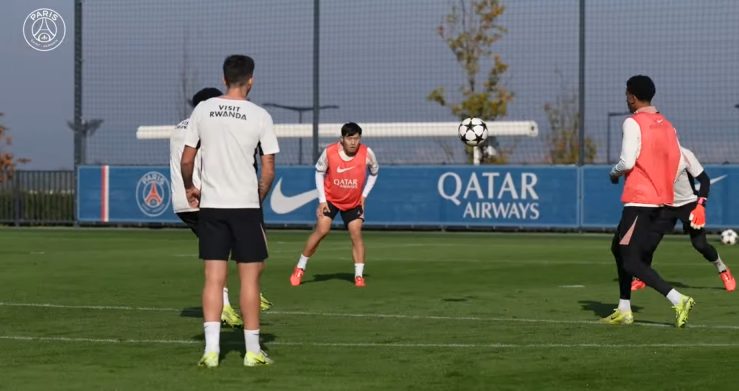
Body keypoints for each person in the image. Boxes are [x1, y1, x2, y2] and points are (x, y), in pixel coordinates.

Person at [181, 55, 279, 368]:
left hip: (212, 207)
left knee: (213, 278)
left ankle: (211, 351)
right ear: (251, 79)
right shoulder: (260, 115)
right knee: (249, 281)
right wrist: (259, 193)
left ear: (224, 79)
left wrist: (189, 186)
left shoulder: (203, 109)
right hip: (245, 207)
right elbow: (268, 167)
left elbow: (187, 159)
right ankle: (252, 352)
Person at [170, 88, 273, 330]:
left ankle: (241, 299)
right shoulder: (208, 127)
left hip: (183, 202)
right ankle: (231, 304)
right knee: (231, 254)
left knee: (221, 255)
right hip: (208, 198)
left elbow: (185, 161)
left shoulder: (177, 129)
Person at [603, 75, 695, 328]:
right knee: (617, 248)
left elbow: (627, 162)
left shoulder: (633, 123)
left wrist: (613, 174)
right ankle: (624, 308)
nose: (626, 98)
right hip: (659, 203)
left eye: (626, 94)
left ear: (632, 96)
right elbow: (679, 164)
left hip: (639, 201)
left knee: (631, 261)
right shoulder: (667, 124)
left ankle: (678, 299)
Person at [631, 147, 735, 292]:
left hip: (689, 204)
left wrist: (700, 206)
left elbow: (704, 180)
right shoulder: (651, 156)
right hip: (666, 206)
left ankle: (723, 269)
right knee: (649, 244)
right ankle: (642, 277)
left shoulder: (684, 154)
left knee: (700, 245)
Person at [289, 122, 379, 288]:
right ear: (342, 139)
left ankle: (359, 276)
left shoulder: (367, 153)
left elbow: (374, 173)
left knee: (356, 233)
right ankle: (300, 267)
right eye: (349, 138)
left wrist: (364, 195)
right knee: (322, 230)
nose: (353, 142)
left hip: (353, 202)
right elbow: (319, 172)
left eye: (357, 138)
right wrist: (322, 200)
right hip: (331, 199)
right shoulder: (330, 152)